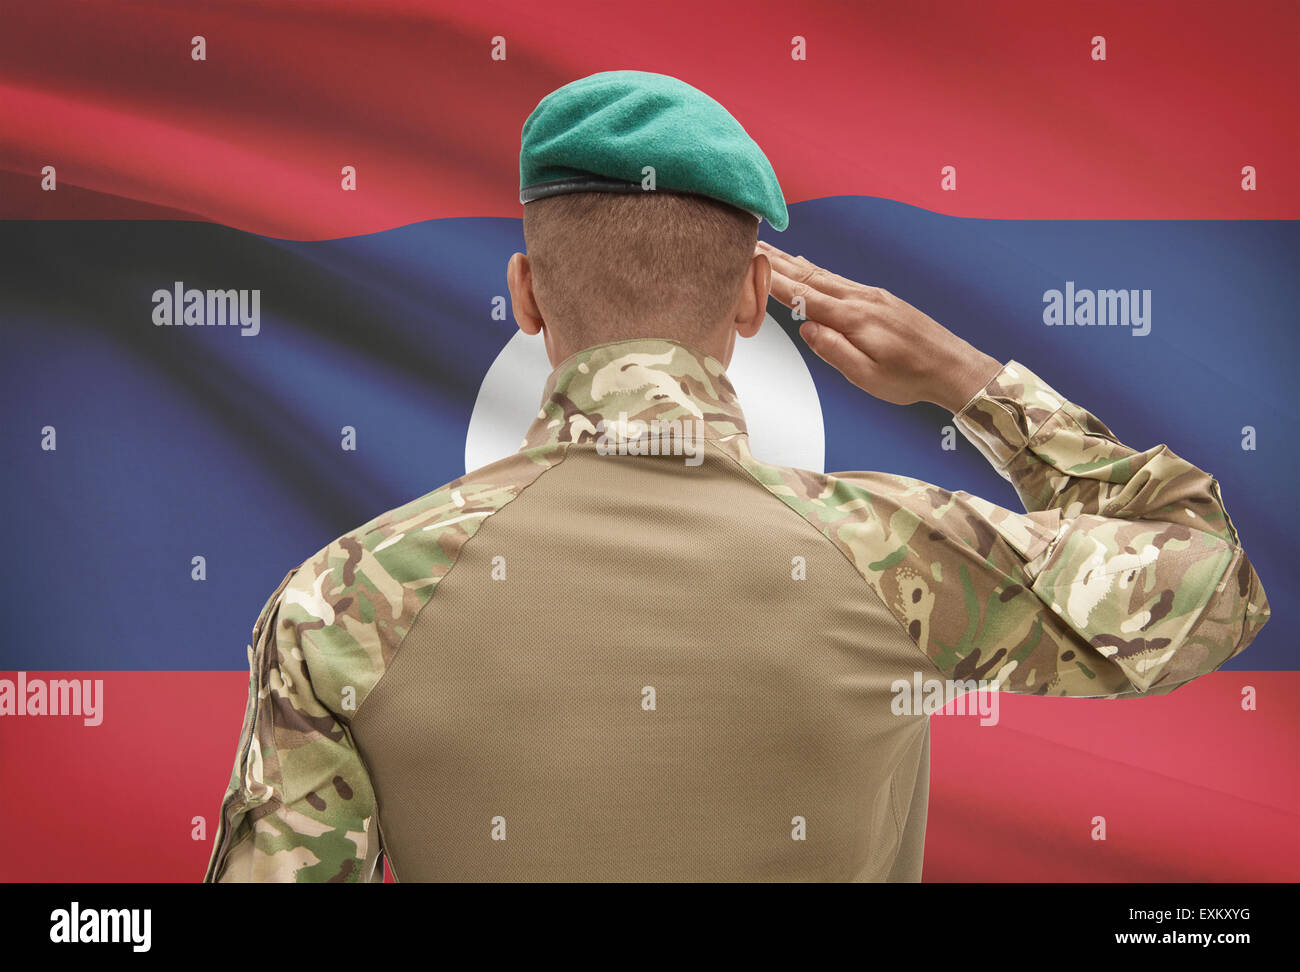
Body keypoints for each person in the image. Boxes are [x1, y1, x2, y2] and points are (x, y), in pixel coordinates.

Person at [203, 70, 1269, 882]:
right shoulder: (896, 554)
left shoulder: (339, 599)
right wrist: (967, 379)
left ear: (525, 295)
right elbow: (1212, 582)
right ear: (756, 297)